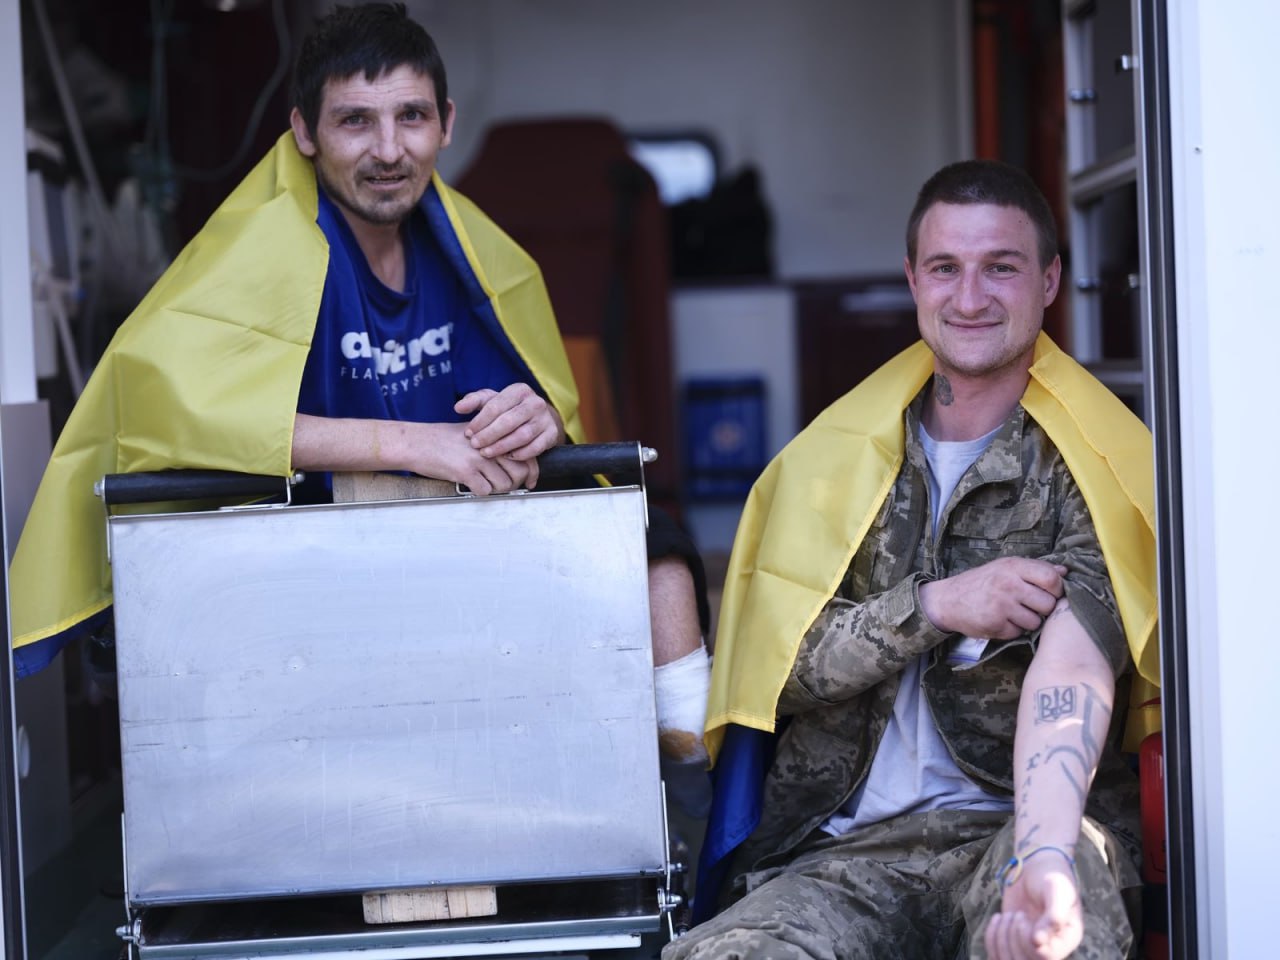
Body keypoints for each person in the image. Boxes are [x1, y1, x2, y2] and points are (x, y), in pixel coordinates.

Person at [9, 3, 711, 779]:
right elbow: (167, 418)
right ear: (304, 132)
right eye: (354, 121)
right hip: (304, 561)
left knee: (662, 559)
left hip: (460, 543)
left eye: (411, 117)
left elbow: (518, 412)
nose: (388, 151)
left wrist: (535, 419)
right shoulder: (256, 248)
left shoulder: (478, 254)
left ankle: (685, 787)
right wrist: (412, 443)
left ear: (446, 123)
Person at [666, 160, 1159, 959]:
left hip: (1015, 832)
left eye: (1001, 267)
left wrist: (1042, 858)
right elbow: (777, 671)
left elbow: (1073, 672)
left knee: (1062, 939)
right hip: (843, 853)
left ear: (1050, 281)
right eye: (945, 268)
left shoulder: (1101, 466)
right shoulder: (827, 460)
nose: (970, 297)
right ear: (912, 280)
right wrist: (937, 606)